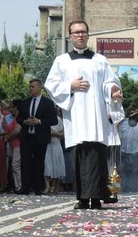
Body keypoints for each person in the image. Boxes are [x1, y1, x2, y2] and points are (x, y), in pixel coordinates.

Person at [45, 20, 123, 209]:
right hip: (76, 116)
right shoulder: (61, 61)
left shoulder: (100, 60)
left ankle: (96, 198)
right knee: (78, 157)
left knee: (96, 157)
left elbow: (110, 82)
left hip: (96, 116)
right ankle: (82, 198)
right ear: (70, 36)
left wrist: (113, 91)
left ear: (88, 35)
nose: (80, 35)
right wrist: (69, 86)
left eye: (83, 32)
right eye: (76, 32)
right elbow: (51, 85)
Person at [17, 78, 58, 195]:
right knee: (25, 162)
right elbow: (18, 118)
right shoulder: (25, 102)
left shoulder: (48, 103)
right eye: (30, 87)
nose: (31, 89)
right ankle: (25, 187)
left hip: (40, 137)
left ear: (40, 87)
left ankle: (37, 187)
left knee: (39, 162)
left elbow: (53, 120)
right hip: (27, 137)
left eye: (33, 86)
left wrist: (39, 121)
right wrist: (25, 121)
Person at [44, 114, 66, 194]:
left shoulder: (58, 120)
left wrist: (54, 133)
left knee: (57, 166)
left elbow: (62, 135)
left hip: (56, 145)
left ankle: (56, 186)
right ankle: (47, 186)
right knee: (46, 165)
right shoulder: (43, 119)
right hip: (47, 145)